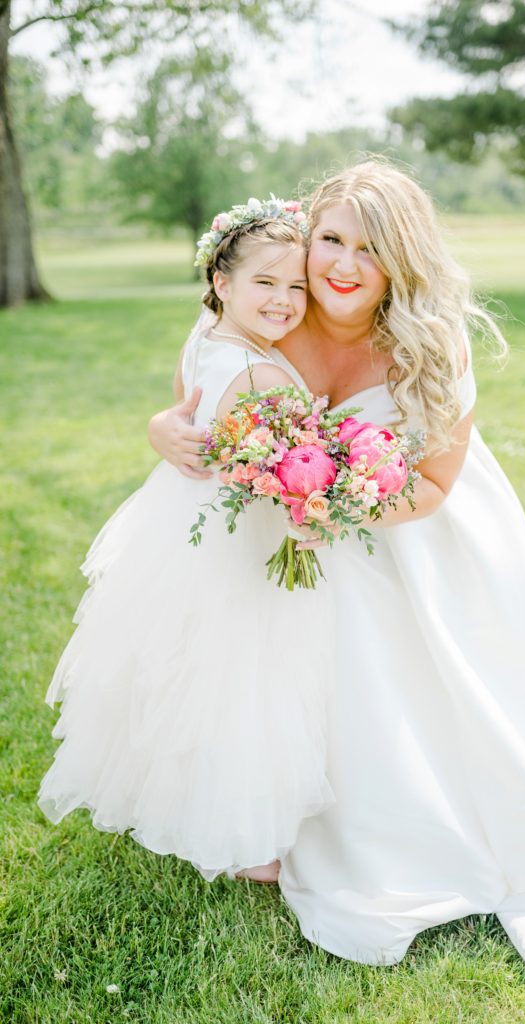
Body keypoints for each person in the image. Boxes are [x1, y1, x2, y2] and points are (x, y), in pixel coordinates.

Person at [150, 160, 525, 969]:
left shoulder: (431, 342)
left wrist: (332, 507)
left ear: (402, 258)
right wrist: (162, 429)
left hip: (415, 536)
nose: (342, 265)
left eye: (371, 248)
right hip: (282, 531)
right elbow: (197, 391)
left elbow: (432, 486)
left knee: (415, 690)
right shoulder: (271, 304)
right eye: (332, 239)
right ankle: (266, 807)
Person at [38, 200, 335, 885]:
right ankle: (247, 836)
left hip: (185, 523)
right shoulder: (260, 375)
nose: (284, 300)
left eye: (297, 286)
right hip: (238, 535)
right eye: (266, 282)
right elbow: (282, 468)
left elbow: (185, 405)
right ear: (222, 282)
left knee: (198, 671)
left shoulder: (204, 336)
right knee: (247, 675)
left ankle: (187, 799)